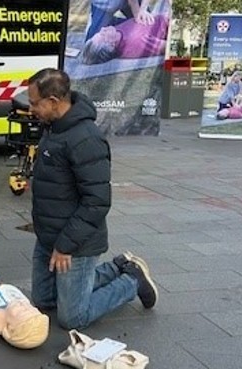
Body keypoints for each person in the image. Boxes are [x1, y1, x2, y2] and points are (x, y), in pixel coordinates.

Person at [27, 68, 157, 329]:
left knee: (72, 318)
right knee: (43, 301)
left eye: (34, 103)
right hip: (49, 236)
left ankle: (131, 280)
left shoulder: (85, 139)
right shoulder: (53, 127)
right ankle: (116, 266)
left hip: (76, 243)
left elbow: (97, 201)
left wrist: (65, 246)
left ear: (53, 101)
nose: (31, 109)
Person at [81, 14, 168, 65]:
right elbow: (168, 47)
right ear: (111, 46)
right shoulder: (135, 43)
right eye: (103, 35)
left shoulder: (115, 33)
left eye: (100, 32)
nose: (103, 28)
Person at [85, 0, 154, 42]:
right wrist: (137, 15)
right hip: (107, 3)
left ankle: (112, 23)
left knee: (148, 28)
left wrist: (143, 9)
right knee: (92, 45)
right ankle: (109, 23)